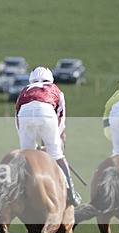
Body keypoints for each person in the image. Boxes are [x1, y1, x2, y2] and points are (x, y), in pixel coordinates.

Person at [15, 66, 81, 206]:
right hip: (46, 112)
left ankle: (19, 191)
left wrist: (30, 145)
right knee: (57, 155)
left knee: (26, 155)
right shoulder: (56, 90)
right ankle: (71, 192)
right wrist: (54, 142)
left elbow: (17, 119)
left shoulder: (24, 90)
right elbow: (61, 119)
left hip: (24, 115)